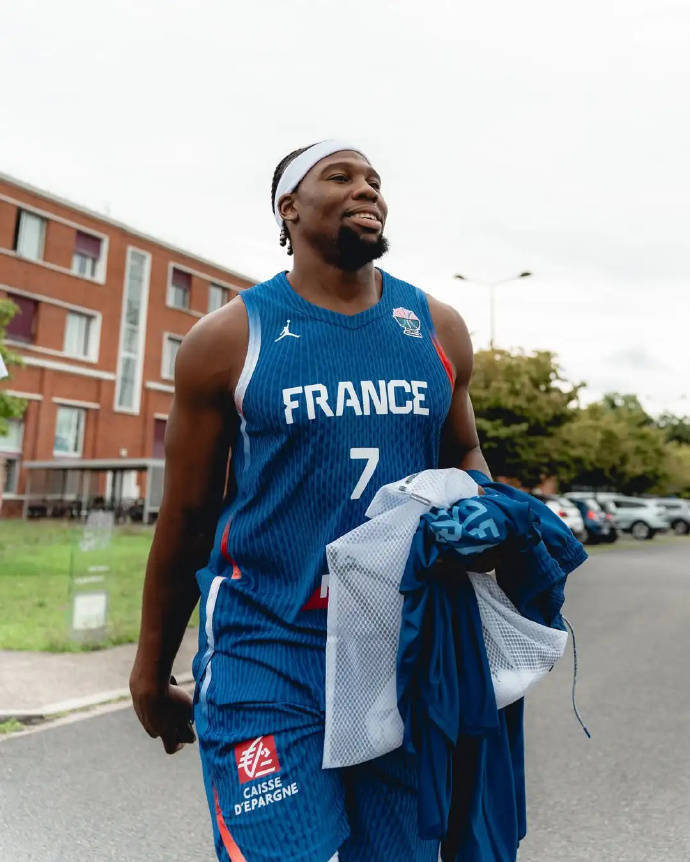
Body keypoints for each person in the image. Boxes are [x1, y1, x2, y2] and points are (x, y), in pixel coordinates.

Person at [130, 140, 492, 862]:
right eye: (342, 176)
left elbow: (463, 454)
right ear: (289, 209)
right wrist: (150, 667)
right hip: (267, 650)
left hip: (397, 652)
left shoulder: (438, 328)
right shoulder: (229, 339)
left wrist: (478, 505)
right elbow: (189, 516)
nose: (368, 189)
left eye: (375, 180)